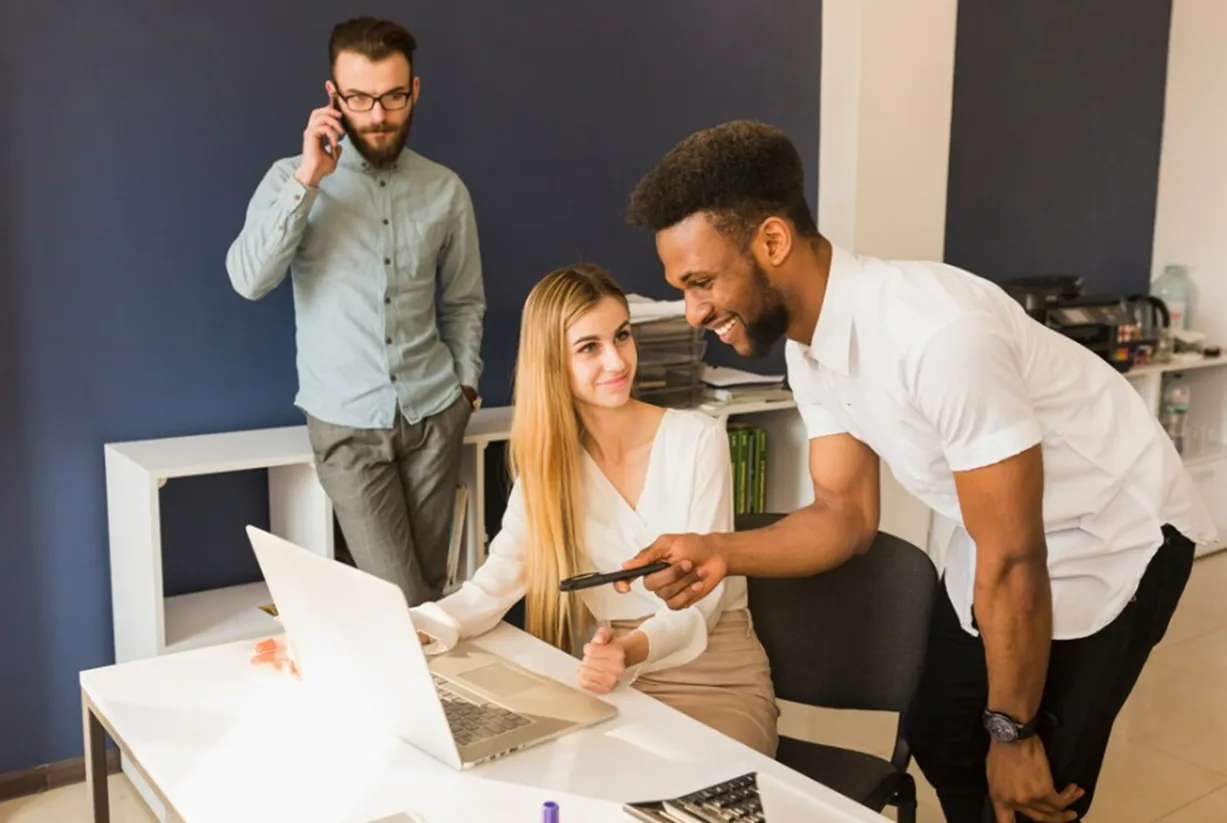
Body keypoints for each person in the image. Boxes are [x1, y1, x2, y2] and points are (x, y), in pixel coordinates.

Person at [618, 120, 1217, 822]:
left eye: (700, 282)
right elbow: (842, 516)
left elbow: (1017, 555)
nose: (693, 312)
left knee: (1031, 785)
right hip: (999, 535)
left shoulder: (936, 335)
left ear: (772, 242)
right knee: (941, 733)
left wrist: (1014, 732)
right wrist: (719, 550)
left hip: (1115, 532)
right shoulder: (809, 349)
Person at [254, 264, 779, 756]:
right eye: (589, 348)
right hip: (613, 677)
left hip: (715, 674)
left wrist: (630, 649)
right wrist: (343, 641)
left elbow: (698, 607)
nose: (617, 361)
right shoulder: (549, 469)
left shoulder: (696, 439)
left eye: (621, 335)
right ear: (552, 362)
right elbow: (489, 591)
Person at [225, 17, 485, 607]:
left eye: (393, 97)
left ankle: (435, 702)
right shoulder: (289, 181)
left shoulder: (446, 190)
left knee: (433, 598)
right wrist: (308, 179)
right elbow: (247, 280)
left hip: (434, 417)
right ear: (333, 97)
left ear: (413, 90)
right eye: (360, 98)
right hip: (346, 429)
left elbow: (465, 301)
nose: (377, 114)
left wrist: (464, 391)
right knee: (402, 601)